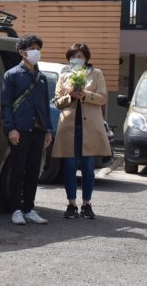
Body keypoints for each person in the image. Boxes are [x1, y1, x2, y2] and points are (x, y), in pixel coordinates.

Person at [52, 43, 110, 219]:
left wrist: (85, 95)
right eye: (73, 56)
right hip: (69, 126)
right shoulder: (64, 75)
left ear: (86, 57)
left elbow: (103, 98)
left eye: (80, 56)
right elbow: (57, 102)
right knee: (69, 166)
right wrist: (70, 95)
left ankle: (86, 204)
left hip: (90, 128)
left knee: (87, 166)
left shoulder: (96, 74)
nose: (76, 59)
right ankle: (71, 204)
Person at [1, 35, 53, 225]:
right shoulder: (12, 74)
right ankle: (16, 209)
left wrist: (48, 129)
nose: (36, 51)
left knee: (33, 171)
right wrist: (10, 129)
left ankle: (29, 208)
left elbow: (45, 106)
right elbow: (5, 104)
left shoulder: (41, 78)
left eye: (38, 48)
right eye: (32, 48)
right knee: (17, 170)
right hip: (20, 130)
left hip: (38, 130)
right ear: (22, 51)